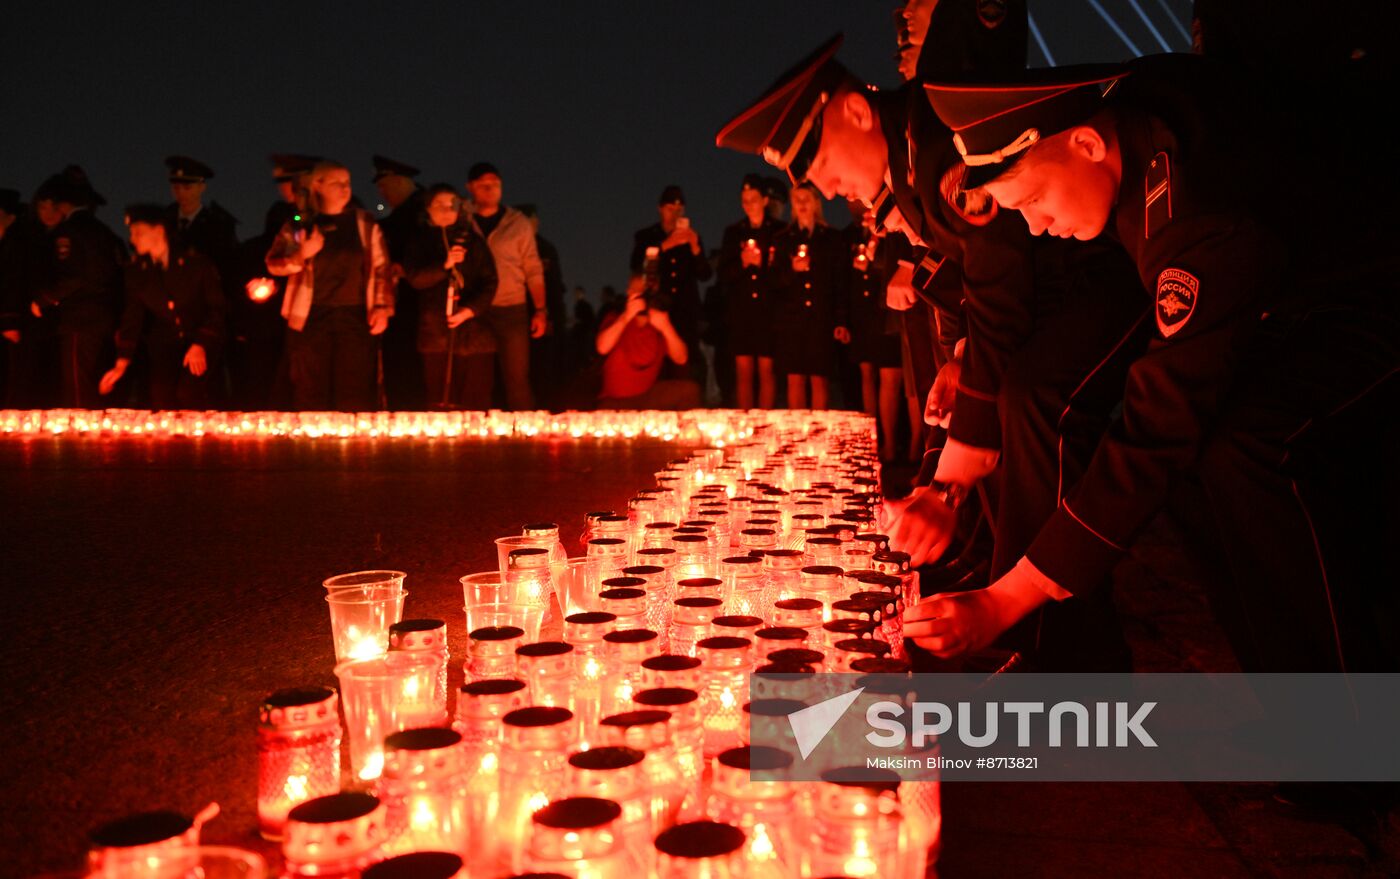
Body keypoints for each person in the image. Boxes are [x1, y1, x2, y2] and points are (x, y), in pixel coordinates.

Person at [911, 55, 1398, 676]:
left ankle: (1347, 745)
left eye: (1032, 198)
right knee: (1205, 464)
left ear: (1086, 143)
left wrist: (1004, 601)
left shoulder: (1194, 200)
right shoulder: (1137, 136)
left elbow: (1157, 426)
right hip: (1310, 296)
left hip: (1375, 287)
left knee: (1252, 444)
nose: (1034, 224)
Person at [715, 32, 1149, 672]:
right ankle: (1010, 602)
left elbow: (1004, 284)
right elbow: (981, 285)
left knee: (1036, 399)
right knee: (998, 397)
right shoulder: (911, 162)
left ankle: (1054, 646)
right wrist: (963, 360)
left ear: (856, 113)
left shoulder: (937, 138)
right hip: (1050, 296)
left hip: (1103, 276)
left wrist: (945, 487)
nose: (831, 189)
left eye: (823, 164)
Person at [265, 160, 392, 411]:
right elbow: (274, 264)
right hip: (311, 317)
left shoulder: (364, 224)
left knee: (354, 388)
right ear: (317, 185)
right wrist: (302, 254)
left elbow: (382, 268)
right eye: (337, 183)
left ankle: (354, 448)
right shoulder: (300, 225)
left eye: (348, 183)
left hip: (355, 316)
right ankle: (312, 446)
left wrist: (382, 306)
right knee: (311, 388)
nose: (345, 189)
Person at [99, 205, 224, 408]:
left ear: (158, 230)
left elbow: (216, 308)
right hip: (165, 341)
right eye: (131, 233)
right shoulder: (137, 271)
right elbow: (133, 317)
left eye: (138, 232)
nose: (132, 239)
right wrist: (121, 364)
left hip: (200, 336)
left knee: (188, 392)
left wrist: (201, 343)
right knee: (161, 395)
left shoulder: (195, 263)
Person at [27, 169, 124, 407]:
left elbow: (75, 275)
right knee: (94, 380)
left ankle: (82, 439)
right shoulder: (104, 231)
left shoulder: (69, 232)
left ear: (62, 204)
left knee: (78, 385)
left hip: (80, 318)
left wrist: (44, 298)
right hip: (105, 315)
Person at [401, 184, 497, 408]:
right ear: (428, 209)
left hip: (475, 335)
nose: (446, 209)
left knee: (475, 401)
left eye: (452, 204)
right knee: (440, 401)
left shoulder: (472, 241)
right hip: (435, 334)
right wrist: (444, 265)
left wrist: (470, 310)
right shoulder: (419, 241)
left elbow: (490, 281)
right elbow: (415, 278)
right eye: (439, 204)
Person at [464, 162, 546, 410]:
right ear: (470, 188)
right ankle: (475, 434)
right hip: (474, 308)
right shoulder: (462, 219)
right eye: (483, 185)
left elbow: (532, 267)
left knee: (516, 378)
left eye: (495, 185)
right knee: (476, 379)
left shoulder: (517, 223)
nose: (490, 190)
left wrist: (540, 309)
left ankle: (525, 432)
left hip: (511, 308)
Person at [769, 183, 848, 410]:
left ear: (816, 202)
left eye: (806, 199)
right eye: (797, 199)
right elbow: (773, 281)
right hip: (792, 319)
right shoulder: (783, 238)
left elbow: (839, 282)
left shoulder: (832, 238)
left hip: (820, 318)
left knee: (819, 378)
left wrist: (841, 319)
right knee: (795, 378)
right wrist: (792, 270)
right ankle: (799, 435)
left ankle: (817, 433)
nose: (802, 204)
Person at [844, 199, 909, 461]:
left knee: (899, 379)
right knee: (869, 375)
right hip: (869, 315)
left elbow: (888, 260)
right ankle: (874, 439)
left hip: (892, 312)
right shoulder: (857, 236)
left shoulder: (895, 228)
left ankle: (901, 444)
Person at [629, 185, 711, 383]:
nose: (674, 214)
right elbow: (636, 265)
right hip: (657, 308)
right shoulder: (647, 236)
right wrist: (665, 246)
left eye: (679, 210)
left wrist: (695, 247)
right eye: (670, 209)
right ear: (660, 208)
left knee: (686, 363)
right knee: (657, 363)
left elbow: (705, 274)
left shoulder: (692, 237)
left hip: (685, 311)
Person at [717, 174, 784, 409]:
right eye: (744, 200)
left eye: (753, 199)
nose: (748, 205)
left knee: (767, 371)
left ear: (765, 200)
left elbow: (782, 274)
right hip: (742, 311)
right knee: (743, 371)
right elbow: (724, 274)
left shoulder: (778, 231)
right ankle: (746, 423)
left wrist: (764, 261)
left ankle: (764, 423)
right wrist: (743, 263)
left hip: (768, 311)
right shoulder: (733, 232)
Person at [595, 273, 700, 410]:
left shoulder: (658, 323)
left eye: (648, 291)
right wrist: (626, 317)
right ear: (629, 293)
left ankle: (688, 429)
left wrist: (666, 327)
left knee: (689, 391)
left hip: (646, 397)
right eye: (638, 291)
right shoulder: (616, 318)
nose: (644, 297)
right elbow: (602, 347)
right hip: (615, 402)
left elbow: (681, 358)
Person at [372, 155, 427, 410]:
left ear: (399, 181)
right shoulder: (398, 217)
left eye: (384, 186)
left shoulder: (423, 213)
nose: (382, 193)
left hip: (418, 303)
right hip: (400, 301)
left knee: (410, 366)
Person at [164, 156, 238, 273]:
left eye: (187, 187)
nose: (180, 193)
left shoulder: (218, 225)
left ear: (202, 187)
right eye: (176, 187)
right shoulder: (162, 219)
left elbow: (228, 265)